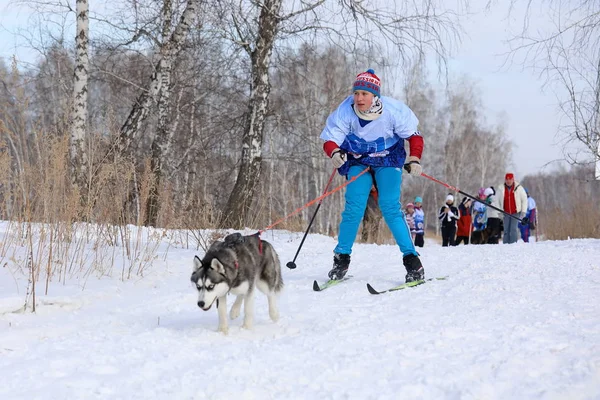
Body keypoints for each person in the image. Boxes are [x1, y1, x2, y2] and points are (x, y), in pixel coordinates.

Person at [320, 69, 425, 283]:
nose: (359, 98)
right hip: (359, 159)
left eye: (364, 94)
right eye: (356, 93)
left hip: (388, 159)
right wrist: (334, 153)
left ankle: (412, 261)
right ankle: (341, 259)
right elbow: (330, 139)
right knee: (354, 206)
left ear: (375, 95)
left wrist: (414, 159)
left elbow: (414, 137)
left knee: (389, 206)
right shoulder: (345, 111)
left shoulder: (394, 110)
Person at [497, 173, 528, 244]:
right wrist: (499, 212)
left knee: (513, 229)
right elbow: (497, 200)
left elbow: (524, 200)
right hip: (505, 212)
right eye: (507, 179)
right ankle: (506, 244)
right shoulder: (501, 188)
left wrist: (523, 211)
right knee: (506, 229)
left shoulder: (519, 188)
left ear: (513, 180)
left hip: (515, 212)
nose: (508, 181)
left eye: (510, 179)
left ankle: (513, 244)